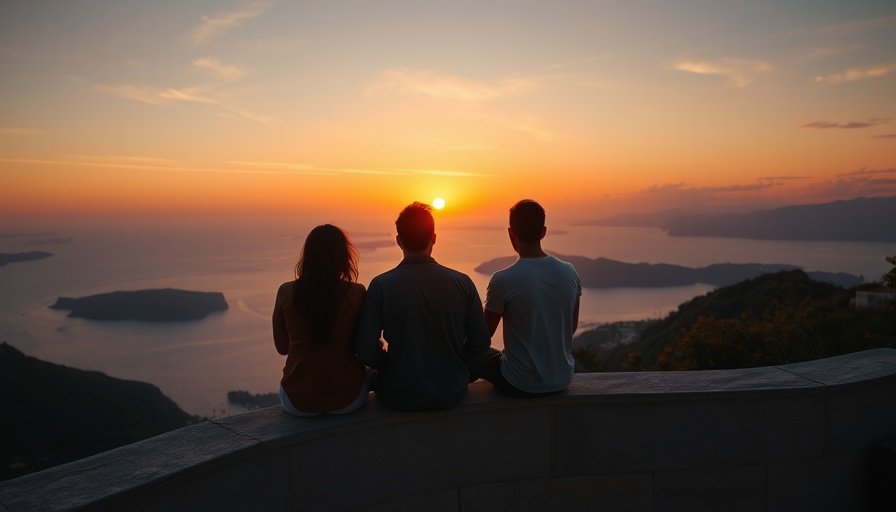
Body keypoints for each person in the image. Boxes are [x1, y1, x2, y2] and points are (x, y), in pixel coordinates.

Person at [355, 202, 491, 411]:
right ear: (434, 238)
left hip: (397, 394)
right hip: (451, 393)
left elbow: (365, 350)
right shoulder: (462, 283)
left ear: (398, 240)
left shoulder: (381, 285)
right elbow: (481, 342)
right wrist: (457, 363)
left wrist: (389, 365)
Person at [470, 199, 582, 398]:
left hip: (519, 383)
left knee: (470, 350)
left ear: (510, 233)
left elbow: (482, 337)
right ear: (544, 232)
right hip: (562, 379)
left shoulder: (503, 279)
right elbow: (570, 328)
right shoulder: (570, 272)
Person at [273, 224, 369, 416]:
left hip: (297, 401)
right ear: (344, 257)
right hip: (348, 398)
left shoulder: (285, 292)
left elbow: (282, 348)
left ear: (307, 256)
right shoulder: (357, 293)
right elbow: (364, 347)